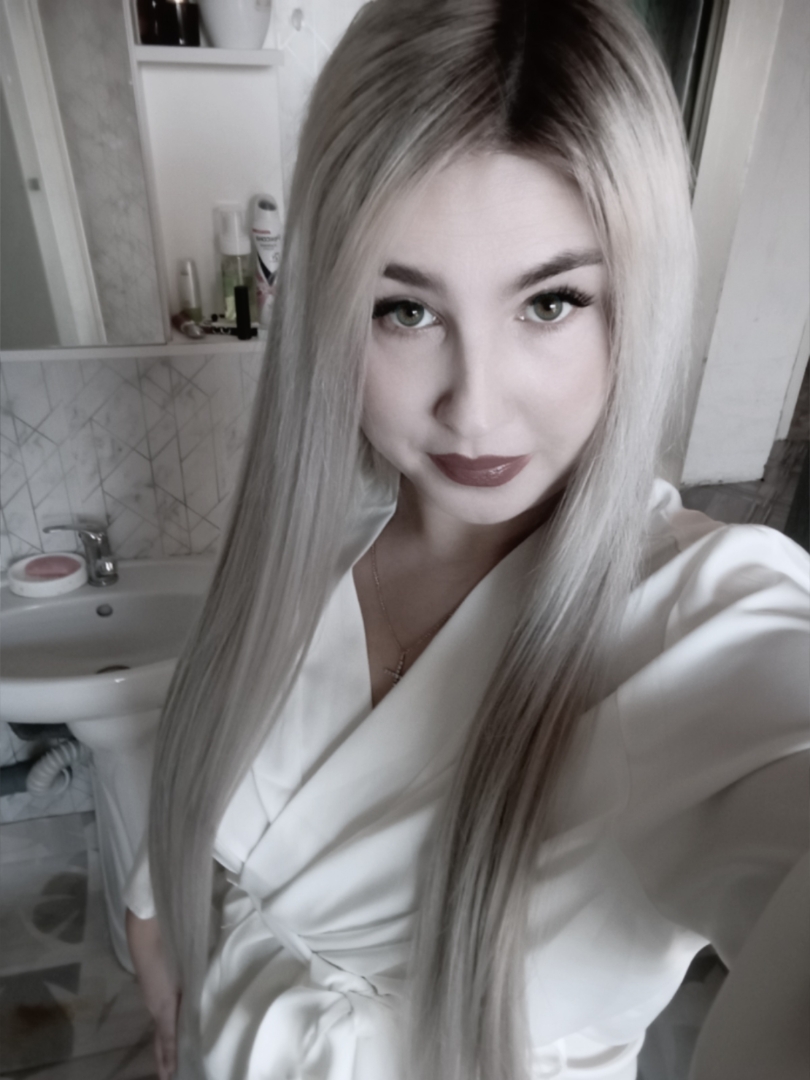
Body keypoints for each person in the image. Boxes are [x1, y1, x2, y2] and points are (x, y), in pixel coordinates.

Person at [124, 1, 810, 1078]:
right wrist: (163, 946)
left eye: (551, 302)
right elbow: (199, 808)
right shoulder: (300, 568)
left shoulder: (692, 619)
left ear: (636, 301)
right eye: (406, 311)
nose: (475, 409)